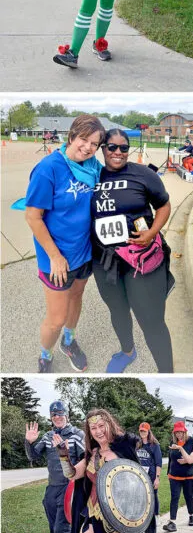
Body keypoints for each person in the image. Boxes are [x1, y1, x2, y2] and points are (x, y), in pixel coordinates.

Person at [25, 114, 106, 372]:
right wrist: (55, 257)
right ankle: (45, 355)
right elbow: (33, 216)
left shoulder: (93, 167)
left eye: (95, 143)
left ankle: (68, 342)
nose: (88, 147)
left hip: (84, 252)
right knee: (56, 318)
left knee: (77, 295)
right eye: (84, 139)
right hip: (56, 257)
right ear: (71, 136)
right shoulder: (48, 168)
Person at [91, 128, 174, 373]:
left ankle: (166, 372)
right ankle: (127, 351)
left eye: (124, 148)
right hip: (104, 260)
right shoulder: (91, 174)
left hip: (141, 258)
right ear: (102, 148)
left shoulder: (143, 174)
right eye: (112, 147)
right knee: (117, 310)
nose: (118, 152)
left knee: (152, 321)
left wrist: (151, 233)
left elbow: (164, 205)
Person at [24, 403, 85, 533]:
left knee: (62, 529)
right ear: (51, 417)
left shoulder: (76, 435)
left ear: (66, 415)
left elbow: (85, 459)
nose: (57, 417)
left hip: (69, 488)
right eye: (53, 415)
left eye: (60, 413)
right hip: (52, 488)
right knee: (53, 530)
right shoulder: (48, 436)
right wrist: (29, 441)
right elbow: (32, 456)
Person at [162, 421, 193, 533]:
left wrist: (187, 462)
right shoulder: (173, 442)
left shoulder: (192, 441)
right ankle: (172, 522)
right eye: (176, 432)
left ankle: (191, 516)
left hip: (189, 476)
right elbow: (170, 458)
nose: (178, 434)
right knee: (174, 498)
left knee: (189, 496)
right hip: (174, 476)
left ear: (184, 431)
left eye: (180, 432)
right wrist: (168, 472)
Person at [135, 422, 162, 518]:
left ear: (148, 431)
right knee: (141, 495)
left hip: (151, 475)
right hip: (140, 475)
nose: (142, 433)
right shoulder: (138, 444)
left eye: (144, 431)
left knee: (153, 495)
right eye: (141, 431)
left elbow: (159, 463)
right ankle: (143, 516)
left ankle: (156, 516)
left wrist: (157, 478)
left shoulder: (154, 445)